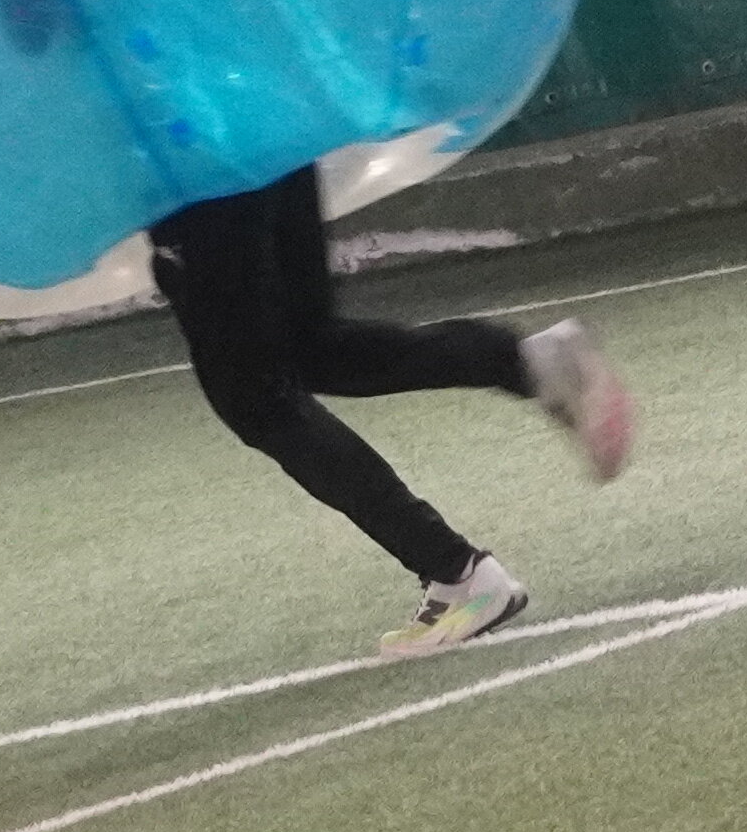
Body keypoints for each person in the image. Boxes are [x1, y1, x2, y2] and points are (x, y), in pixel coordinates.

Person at [140, 164, 630, 655]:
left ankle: (456, 571)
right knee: (310, 348)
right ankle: (534, 363)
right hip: (267, 133)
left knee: (256, 400)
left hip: (196, 162)